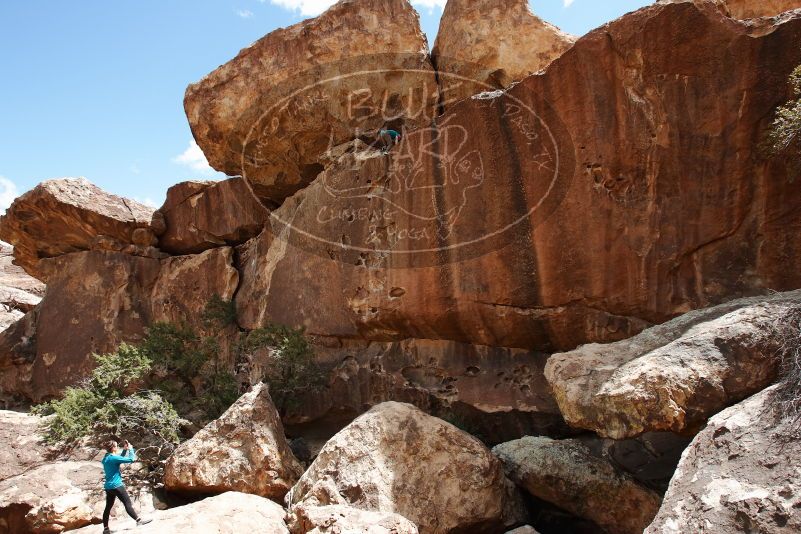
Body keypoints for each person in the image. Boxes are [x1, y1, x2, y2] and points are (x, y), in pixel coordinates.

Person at [101, 440, 151, 533]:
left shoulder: (106, 458)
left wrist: (124, 450)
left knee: (108, 507)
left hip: (108, 487)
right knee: (127, 503)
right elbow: (131, 459)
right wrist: (131, 449)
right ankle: (138, 521)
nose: (117, 447)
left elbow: (118, 458)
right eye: (116, 446)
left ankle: (106, 529)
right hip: (117, 486)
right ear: (114, 448)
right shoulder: (113, 458)